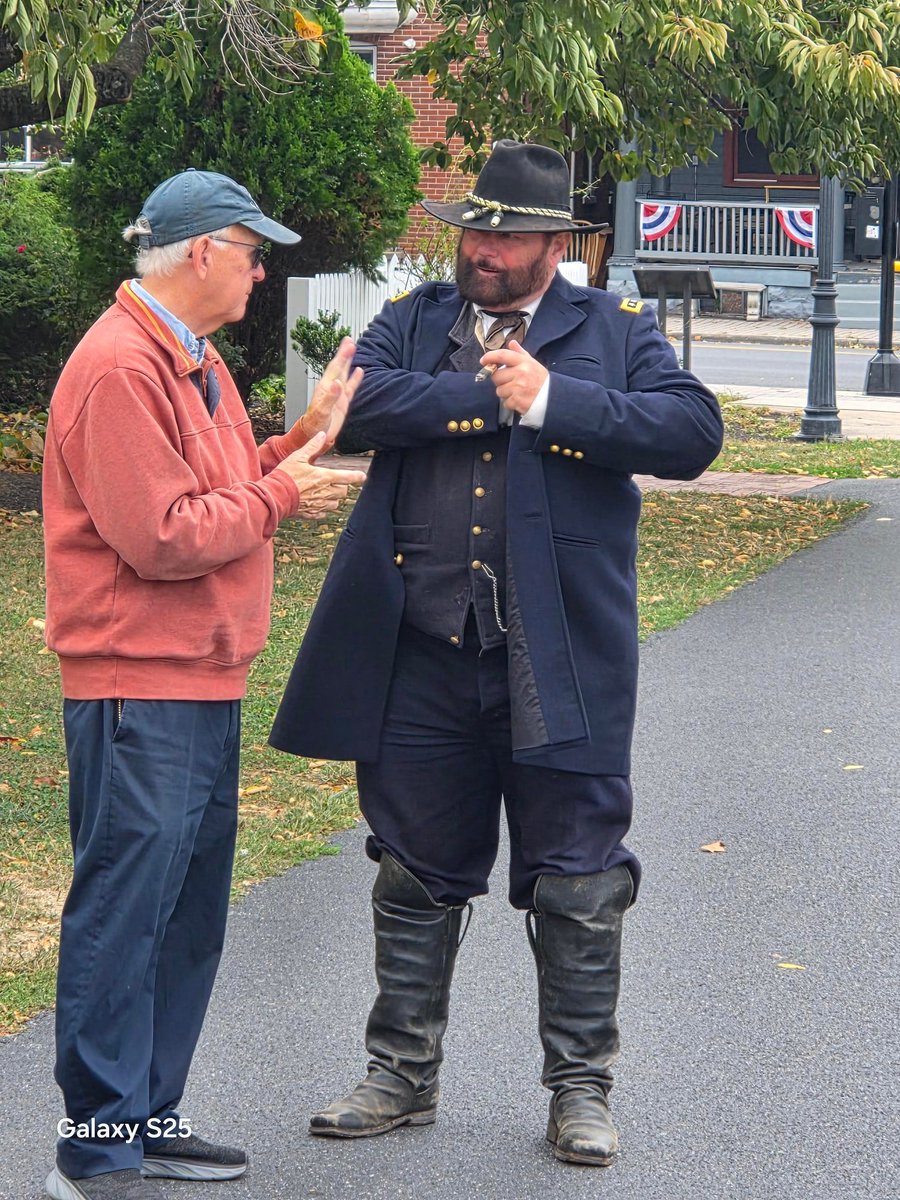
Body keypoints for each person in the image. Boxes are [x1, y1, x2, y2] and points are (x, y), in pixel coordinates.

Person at [269, 141, 723, 1167]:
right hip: (422, 647)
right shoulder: (418, 320)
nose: (481, 250)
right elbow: (355, 403)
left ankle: (579, 1090)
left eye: (506, 236)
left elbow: (692, 432)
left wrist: (555, 401)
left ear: (555, 244)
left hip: (557, 655)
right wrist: (490, 396)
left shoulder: (610, 329)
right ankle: (401, 1073)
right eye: (472, 231)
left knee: (578, 879)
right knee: (414, 869)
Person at [42, 168, 366, 1200]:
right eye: (251, 251)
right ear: (199, 253)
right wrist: (281, 490)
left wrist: (301, 438)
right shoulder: (119, 369)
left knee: (185, 914)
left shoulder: (194, 362)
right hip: (140, 682)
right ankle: (97, 1146)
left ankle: (147, 1112)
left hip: (199, 679)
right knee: (127, 910)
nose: (262, 270)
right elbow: (164, 535)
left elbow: (221, 488)